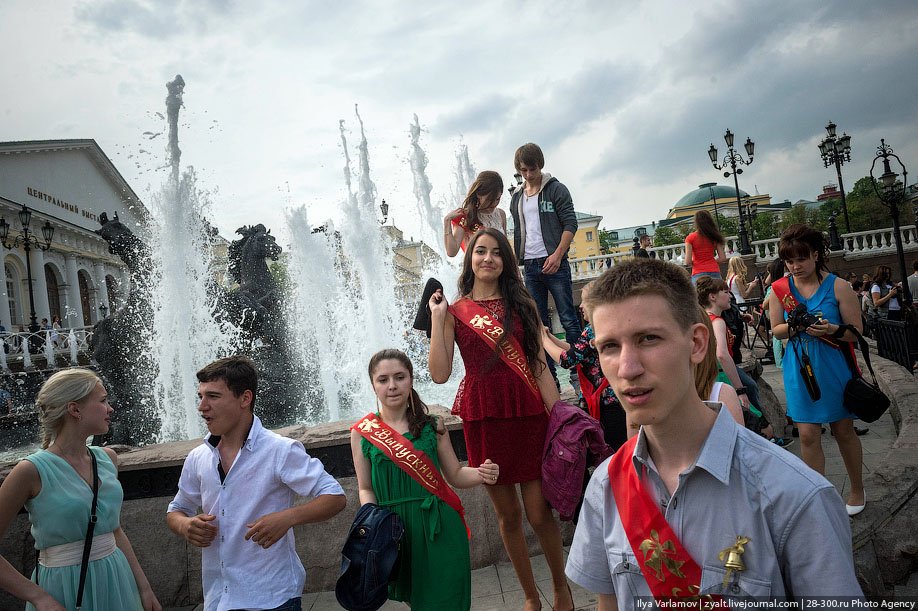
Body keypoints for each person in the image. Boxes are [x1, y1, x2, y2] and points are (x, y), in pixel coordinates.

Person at [565, 258, 863, 606]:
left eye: (648, 338)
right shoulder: (605, 487)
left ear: (696, 344)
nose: (627, 368)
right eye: (609, 347)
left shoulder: (794, 496)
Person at [429, 227, 573, 611]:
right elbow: (440, 374)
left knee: (539, 511)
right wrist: (437, 319)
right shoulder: (455, 311)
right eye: (480, 251)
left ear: (505, 260)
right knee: (507, 515)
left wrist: (558, 416)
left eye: (495, 252)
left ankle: (561, 588)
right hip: (483, 415)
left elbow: (540, 365)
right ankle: (530, 597)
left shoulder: (522, 303)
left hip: (527, 411)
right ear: (470, 258)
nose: (488, 258)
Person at [166, 356, 346, 611]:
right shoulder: (198, 457)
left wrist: (287, 518)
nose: (202, 407)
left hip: (272, 597)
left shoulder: (279, 450)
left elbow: (335, 496)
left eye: (213, 396)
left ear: (244, 398)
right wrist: (185, 525)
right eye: (201, 396)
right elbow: (176, 509)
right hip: (218, 598)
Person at [0, 368, 161, 610]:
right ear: (75, 410)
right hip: (63, 587)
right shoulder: (30, 470)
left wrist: (144, 587)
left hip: (118, 580)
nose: (110, 408)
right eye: (103, 400)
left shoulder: (108, 459)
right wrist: (38, 597)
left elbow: (114, 530)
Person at [351, 349, 499, 610]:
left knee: (448, 600)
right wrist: (372, 525)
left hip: (438, 525)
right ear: (373, 385)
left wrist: (482, 473)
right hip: (395, 532)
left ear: (411, 380)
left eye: (400, 377)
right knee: (419, 603)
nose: (392, 386)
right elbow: (365, 488)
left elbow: (455, 475)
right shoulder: (363, 432)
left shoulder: (433, 425)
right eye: (383, 379)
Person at [767, 224, 866, 516]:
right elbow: (776, 330)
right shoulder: (779, 290)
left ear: (816, 254)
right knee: (808, 434)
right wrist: (796, 326)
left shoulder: (839, 286)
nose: (795, 266)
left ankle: (857, 489)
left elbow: (856, 334)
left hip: (834, 366)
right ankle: (819, 499)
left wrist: (832, 328)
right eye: (789, 261)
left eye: (801, 259)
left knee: (843, 429)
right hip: (799, 368)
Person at [509, 142, 581, 392]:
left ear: (540, 165)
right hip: (530, 265)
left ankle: (580, 378)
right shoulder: (517, 197)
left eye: (532, 169)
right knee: (538, 325)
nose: (528, 175)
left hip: (555, 263)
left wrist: (558, 255)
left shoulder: (556, 190)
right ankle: (551, 383)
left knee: (569, 320)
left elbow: (571, 224)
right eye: (523, 171)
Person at [541, 280, 627, 449]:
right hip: (614, 402)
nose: (580, 306)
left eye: (584, 301)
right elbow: (578, 351)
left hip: (606, 405)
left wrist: (542, 340)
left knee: (609, 452)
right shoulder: (601, 327)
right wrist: (551, 337)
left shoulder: (592, 330)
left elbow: (567, 360)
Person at [694, 308, 744, 426]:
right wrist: (741, 390)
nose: (730, 296)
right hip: (720, 372)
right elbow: (722, 354)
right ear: (713, 296)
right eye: (725, 292)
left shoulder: (706, 317)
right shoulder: (717, 321)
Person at [443, 170, 507, 257]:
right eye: (489, 200)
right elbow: (452, 252)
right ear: (478, 194)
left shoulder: (501, 214)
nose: (494, 204)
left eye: (497, 199)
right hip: (477, 268)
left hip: (498, 267)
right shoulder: (465, 217)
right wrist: (447, 221)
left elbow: (505, 248)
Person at [684, 209, 727, 284]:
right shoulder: (714, 236)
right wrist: (711, 261)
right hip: (715, 272)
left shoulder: (690, 238)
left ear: (697, 222)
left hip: (699, 274)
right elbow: (723, 258)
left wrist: (698, 263)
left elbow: (687, 262)